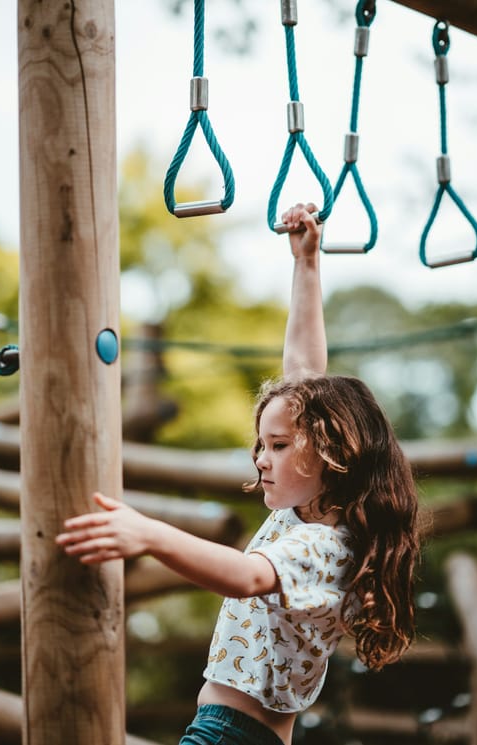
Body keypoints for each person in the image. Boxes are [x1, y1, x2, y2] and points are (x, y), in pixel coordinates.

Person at [55, 203, 419, 745]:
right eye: (260, 445)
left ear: (331, 452)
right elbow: (303, 370)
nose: (260, 458)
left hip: (231, 736)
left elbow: (246, 576)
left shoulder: (323, 544)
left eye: (277, 445)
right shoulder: (303, 519)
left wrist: (149, 532)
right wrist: (306, 265)